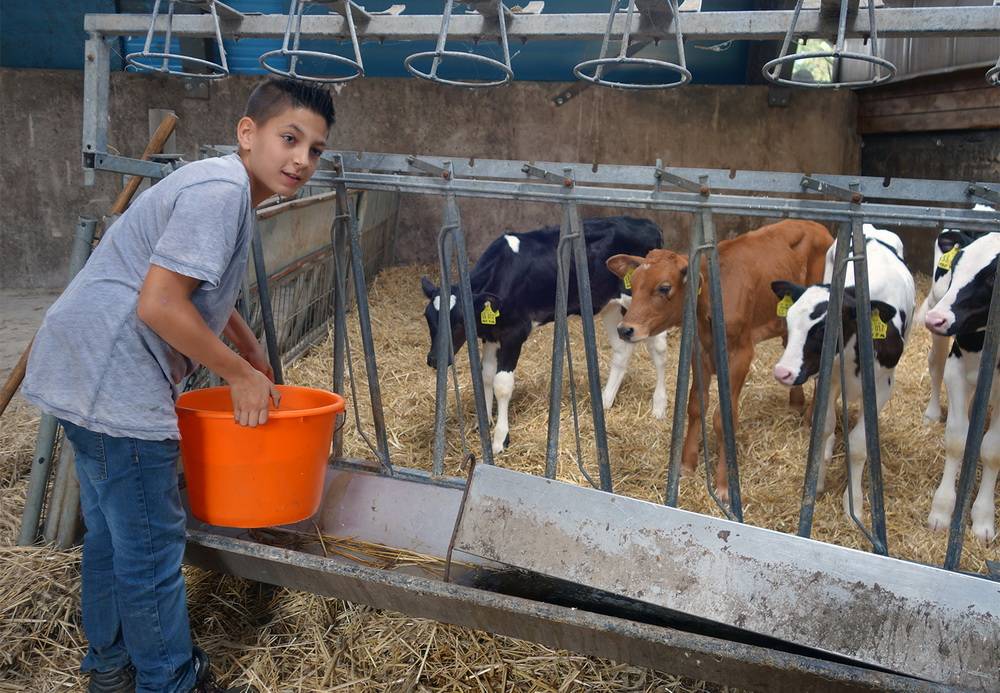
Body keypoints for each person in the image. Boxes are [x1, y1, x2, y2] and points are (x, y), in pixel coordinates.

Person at [22, 77, 335, 693]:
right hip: (115, 375)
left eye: (316, 149)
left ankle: (109, 670)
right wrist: (240, 374)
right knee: (151, 548)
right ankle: (169, 681)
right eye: (289, 138)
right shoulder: (222, 193)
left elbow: (191, 278)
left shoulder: (226, 188)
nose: (301, 159)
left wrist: (245, 344)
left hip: (83, 363)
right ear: (248, 134)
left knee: (113, 535)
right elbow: (161, 304)